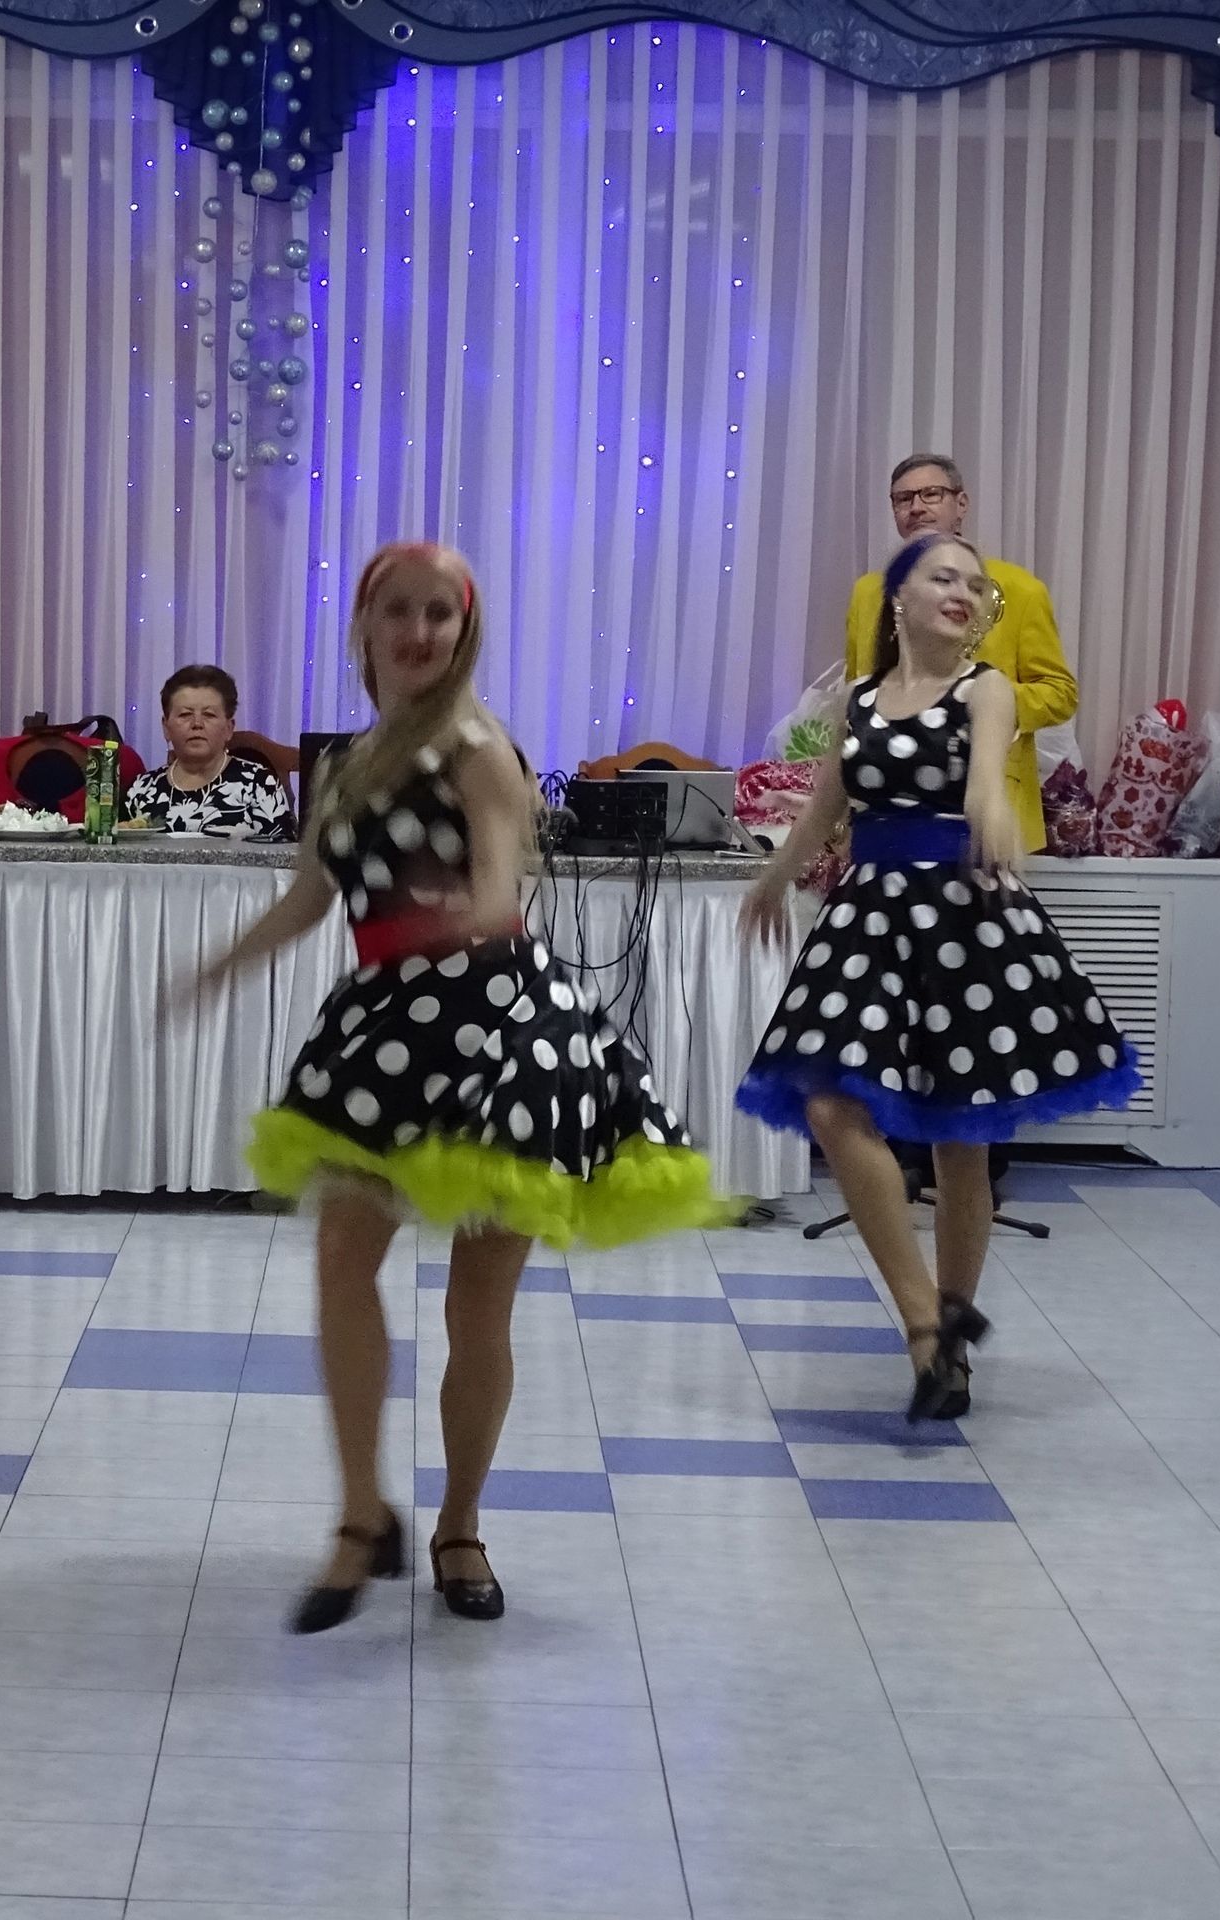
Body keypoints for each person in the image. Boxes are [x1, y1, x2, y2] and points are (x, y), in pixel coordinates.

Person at [190, 542, 726, 1634]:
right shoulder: (346, 763)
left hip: (498, 1032)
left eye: (439, 613)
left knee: (477, 1303)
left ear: (465, 629)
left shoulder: (482, 750)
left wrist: (437, 921)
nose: (418, 632)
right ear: (366, 622)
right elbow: (310, 899)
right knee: (341, 1263)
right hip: (385, 1029)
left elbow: (496, 894)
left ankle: (461, 1526)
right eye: (399, 611)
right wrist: (219, 966)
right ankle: (360, 1515)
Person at [740, 532, 1139, 1420]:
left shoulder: (985, 687)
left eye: (975, 584)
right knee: (831, 1106)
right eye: (943, 577)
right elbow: (827, 806)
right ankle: (925, 1317)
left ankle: (948, 1344)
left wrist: (993, 820)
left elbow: (988, 777)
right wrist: (772, 879)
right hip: (869, 917)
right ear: (900, 598)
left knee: (964, 1140)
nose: (963, 592)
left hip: (963, 912)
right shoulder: (859, 698)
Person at [845, 454, 1075, 851]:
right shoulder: (869, 592)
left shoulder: (1021, 589)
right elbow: (857, 694)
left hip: (992, 812)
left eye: (931, 494)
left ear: (961, 504)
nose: (916, 507)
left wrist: (971, 705)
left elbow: (1060, 692)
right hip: (884, 813)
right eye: (903, 499)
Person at [122, 665, 296, 840]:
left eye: (209, 715)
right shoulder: (141, 790)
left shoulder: (259, 784)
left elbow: (281, 852)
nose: (197, 724)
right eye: (185, 714)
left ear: (229, 728)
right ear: (166, 727)